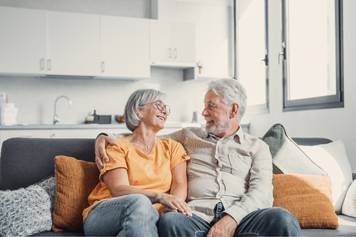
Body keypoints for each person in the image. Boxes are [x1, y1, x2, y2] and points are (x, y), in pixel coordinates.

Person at [96, 79, 301, 237]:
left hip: (243, 217)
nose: (203, 112)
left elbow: (262, 193)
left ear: (233, 110)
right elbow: (143, 139)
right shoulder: (187, 136)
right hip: (196, 217)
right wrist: (104, 137)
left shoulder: (257, 147)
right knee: (170, 222)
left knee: (282, 218)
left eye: (211, 106)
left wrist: (231, 219)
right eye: (204, 106)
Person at [83, 89, 191, 237]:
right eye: (159, 105)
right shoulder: (117, 147)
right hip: (104, 214)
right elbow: (118, 189)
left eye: (166, 108)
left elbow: (180, 185)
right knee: (140, 202)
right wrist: (159, 197)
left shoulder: (173, 147)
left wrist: (172, 208)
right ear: (139, 111)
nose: (165, 111)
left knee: (138, 220)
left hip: (145, 219)